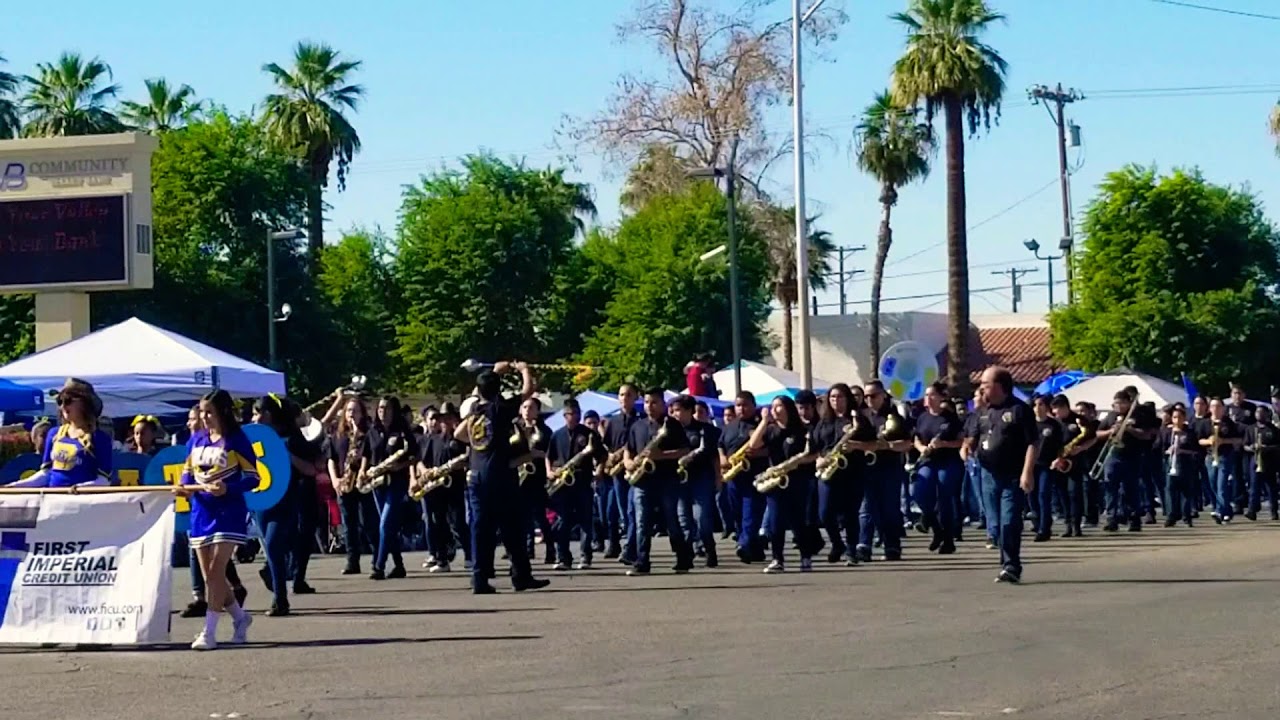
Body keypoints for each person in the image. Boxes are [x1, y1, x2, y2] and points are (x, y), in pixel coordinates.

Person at [173, 389, 259, 650]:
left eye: (209, 412)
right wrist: (183, 487)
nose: (204, 417)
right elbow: (187, 472)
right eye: (202, 412)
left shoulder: (237, 440)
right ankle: (240, 618)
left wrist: (228, 488)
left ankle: (208, 632)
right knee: (211, 576)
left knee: (215, 571)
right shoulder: (196, 440)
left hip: (228, 512)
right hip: (201, 512)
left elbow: (253, 478)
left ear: (223, 412)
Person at [454, 361, 550, 594]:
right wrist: (524, 369)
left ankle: (479, 578)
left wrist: (495, 371)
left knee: (481, 528)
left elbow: (459, 434)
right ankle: (521, 576)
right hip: (498, 474)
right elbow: (527, 391)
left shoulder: (475, 410)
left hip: (476, 473)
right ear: (498, 389)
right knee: (512, 526)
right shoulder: (500, 409)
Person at [974, 367, 1037, 584]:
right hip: (988, 474)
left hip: (1012, 475)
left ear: (999, 386)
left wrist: (1027, 472)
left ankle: (1011, 565)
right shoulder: (983, 411)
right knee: (995, 523)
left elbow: (1033, 443)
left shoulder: (1019, 410)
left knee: (1009, 521)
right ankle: (1006, 563)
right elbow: (974, 435)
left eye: (986, 384)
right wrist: (967, 447)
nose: (981, 388)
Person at [624, 388, 693, 576]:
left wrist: (661, 455)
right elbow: (629, 449)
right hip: (642, 480)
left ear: (663, 404)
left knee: (671, 520)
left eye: (654, 402)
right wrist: (628, 462)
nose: (650, 406)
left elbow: (685, 450)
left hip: (667, 479)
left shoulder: (673, 425)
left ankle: (682, 558)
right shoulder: (637, 426)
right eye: (647, 402)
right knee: (641, 522)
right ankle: (642, 561)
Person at [746, 395, 817, 573]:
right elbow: (753, 445)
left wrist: (798, 462)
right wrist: (764, 422)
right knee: (775, 521)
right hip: (776, 480)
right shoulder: (771, 430)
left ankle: (805, 556)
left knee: (798, 521)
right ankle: (777, 559)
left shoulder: (802, 430)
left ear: (788, 408)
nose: (774, 410)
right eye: (773, 406)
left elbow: (814, 453)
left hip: (797, 480)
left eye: (778, 406)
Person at [12, 378, 114, 488]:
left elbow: (104, 480)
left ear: (85, 404)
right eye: (60, 401)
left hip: (83, 497)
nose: (63, 406)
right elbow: (46, 474)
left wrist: (78, 489)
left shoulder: (99, 438)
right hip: (54, 496)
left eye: (68, 401)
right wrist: (16, 485)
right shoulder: (54, 433)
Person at [546, 398, 607, 570]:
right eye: (571, 413)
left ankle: (585, 556)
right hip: (563, 483)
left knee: (585, 520)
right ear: (565, 415)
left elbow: (602, 456)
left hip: (582, 481)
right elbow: (549, 456)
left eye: (577, 413)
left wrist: (599, 471)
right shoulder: (557, 435)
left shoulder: (589, 434)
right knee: (563, 521)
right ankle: (563, 558)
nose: (575, 416)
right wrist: (549, 472)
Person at [911, 382, 965, 553]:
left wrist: (944, 444)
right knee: (920, 491)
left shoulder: (950, 418)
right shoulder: (922, 417)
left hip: (948, 461)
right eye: (926, 395)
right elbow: (916, 438)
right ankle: (935, 528)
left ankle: (948, 539)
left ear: (941, 397)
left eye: (932, 394)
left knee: (944, 496)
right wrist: (921, 448)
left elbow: (961, 441)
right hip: (928, 460)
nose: (928, 398)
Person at [368, 395, 417, 580]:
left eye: (387, 408)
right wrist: (364, 471)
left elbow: (415, 455)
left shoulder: (402, 432)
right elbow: (366, 454)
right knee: (389, 527)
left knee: (385, 523)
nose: (383, 412)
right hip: (377, 482)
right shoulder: (373, 431)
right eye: (380, 408)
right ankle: (399, 565)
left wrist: (400, 466)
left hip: (396, 482)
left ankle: (379, 565)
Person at [669, 394, 722, 567]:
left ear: (689, 411)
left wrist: (718, 478)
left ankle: (709, 548)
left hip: (702, 479)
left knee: (702, 518)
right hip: (679, 480)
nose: (675, 414)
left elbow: (715, 457)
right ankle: (687, 555)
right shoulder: (671, 431)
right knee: (683, 519)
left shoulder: (705, 430)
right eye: (673, 411)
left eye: (678, 410)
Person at [719, 391, 769, 564]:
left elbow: (771, 447)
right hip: (734, 477)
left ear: (754, 406)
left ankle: (744, 544)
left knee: (751, 513)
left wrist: (759, 453)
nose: (741, 409)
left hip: (753, 476)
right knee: (737, 513)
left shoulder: (761, 425)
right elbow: (720, 445)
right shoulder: (730, 426)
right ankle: (753, 548)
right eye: (738, 405)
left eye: (745, 405)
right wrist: (723, 458)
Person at [1048, 394, 1093, 537]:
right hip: (1059, 461)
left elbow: (1093, 437)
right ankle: (1068, 524)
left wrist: (1081, 448)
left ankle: (1076, 525)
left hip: (1075, 462)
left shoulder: (1079, 420)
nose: (1054, 412)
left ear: (1065, 407)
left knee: (1074, 493)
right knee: (1062, 494)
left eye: (1056, 408)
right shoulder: (1054, 422)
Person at [1197, 397, 1242, 524]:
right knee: (1212, 485)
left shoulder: (1228, 423)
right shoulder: (1205, 423)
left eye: (1218, 406)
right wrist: (1209, 441)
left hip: (1225, 456)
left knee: (1221, 485)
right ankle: (1226, 510)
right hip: (1210, 457)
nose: (1215, 409)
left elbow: (1238, 439)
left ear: (1222, 408)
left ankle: (1220, 511)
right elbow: (1199, 440)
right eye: (1213, 406)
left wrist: (1223, 441)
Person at [1030, 395, 1065, 543]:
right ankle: (1037, 522)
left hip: (1047, 464)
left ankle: (1044, 529)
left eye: (1041, 405)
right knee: (1031, 496)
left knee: (1043, 494)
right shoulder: (1029, 424)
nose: (1038, 408)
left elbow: (1060, 445)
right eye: (1035, 405)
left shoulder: (1053, 425)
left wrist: (1059, 458)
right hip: (1031, 465)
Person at [1161, 404, 1198, 527]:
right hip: (1170, 464)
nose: (1177, 420)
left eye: (1179, 417)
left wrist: (1182, 451)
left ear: (1184, 418)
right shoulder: (1167, 432)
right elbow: (1159, 447)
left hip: (1185, 464)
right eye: (1175, 417)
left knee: (1186, 491)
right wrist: (1168, 451)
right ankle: (1171, 515)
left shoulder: (1190, 433)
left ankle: (1186, 516)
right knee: (1170, 490)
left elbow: (1195, 450)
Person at [1245, 404, 1279, 521]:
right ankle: (1252, 510)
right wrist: (1252, 448)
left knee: (1271, 487)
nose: (1259, 414)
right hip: (1255, 460)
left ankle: (1274, 511)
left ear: (1267, 414)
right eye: (1257, 412)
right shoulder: (1250, 428)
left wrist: (1266, 448)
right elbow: (1245, 445)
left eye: (1262, 412)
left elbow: (1277, 446)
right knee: (1254, 486)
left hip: (1270, 462)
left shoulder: (1273, 430)